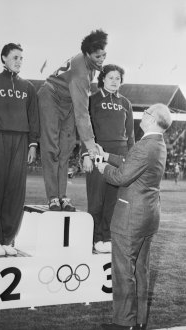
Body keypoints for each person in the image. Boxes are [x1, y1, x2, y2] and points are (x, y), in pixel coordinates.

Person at [94, 103, 172, 330]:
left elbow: (120, 177)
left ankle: (123, 323)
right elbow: (131, 163)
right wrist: (107, 155)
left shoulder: (144, 146)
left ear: (152, 119)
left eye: (147, 112)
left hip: (130, 217)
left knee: (123, 271)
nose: (144, 114)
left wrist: (102, 167)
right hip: (148, 215)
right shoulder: (157, 144)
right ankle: (138, 322)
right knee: (140, 270)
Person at [0, 43, 40, 256]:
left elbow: (33, 118)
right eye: (15, 57)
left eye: (21, 57)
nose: (19, 61)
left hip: (21, 141)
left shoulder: (28, 88)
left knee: (15, 192)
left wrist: (32, 144)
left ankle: (7, 240)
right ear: (3, 58)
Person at [38, 29, 108, 211]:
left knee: (66, 149)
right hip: (50, 97)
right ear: (87, 54)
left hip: (66, 102)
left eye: (104, 55)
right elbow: (82, 113)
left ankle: (62, 196)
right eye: (97, 55)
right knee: (51, 148)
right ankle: (53, 197)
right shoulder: (81, 73)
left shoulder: (88, 65)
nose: (102, 59)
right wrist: (91, 146)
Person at [82, 64, 134, 254]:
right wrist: (86, 154)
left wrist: (130, 160)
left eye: (118, 78)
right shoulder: (92, 100)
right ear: (102, 78)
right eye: (110, 77)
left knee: (113, 200)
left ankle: (106, 237)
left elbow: (131, 136)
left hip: (119, 154)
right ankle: (95, 238)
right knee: (97, 199)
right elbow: (84, 129)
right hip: (98, 150)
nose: (114, 81)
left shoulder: (126, 103)